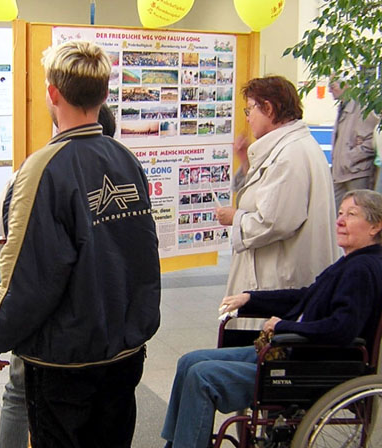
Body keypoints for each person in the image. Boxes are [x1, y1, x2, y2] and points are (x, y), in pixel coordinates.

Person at [0, 40, 161, 447]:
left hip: (65, 361)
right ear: (104, 94)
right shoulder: (126, 160)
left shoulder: (42, 168)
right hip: (124, 351)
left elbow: (29, 275)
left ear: (52, 93)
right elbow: (144, 256)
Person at [162, 189, 382, 448]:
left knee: (201, 376)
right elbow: (304, 297)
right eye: (341, 213)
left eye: (351, 215)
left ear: (375, 226)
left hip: (305, 364)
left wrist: (283, 326)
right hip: (291, 351)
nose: (340, 221)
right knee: (189, 361)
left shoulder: (362, 269)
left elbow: (342, 329)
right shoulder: (350, 263)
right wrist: (250, 298)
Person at [0, 102, 117, 448]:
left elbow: (24, 272)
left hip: (53, 333)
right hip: (111, 334)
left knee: (20, 393)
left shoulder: (40, 169)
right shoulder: (123, 167)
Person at [215, 76, 337, 299]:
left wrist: (235, 218)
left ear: (269, 109)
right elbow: (267, 193)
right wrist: (245, 162)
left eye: (250, 109)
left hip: (280, 279)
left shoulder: (289, 155)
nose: (248, 118)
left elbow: (273, 222)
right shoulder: (290, 147)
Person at [329, 76, 380, 210]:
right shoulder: (343, 106)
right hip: (340, 172)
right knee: (337, 212)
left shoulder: (362, 106)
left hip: (357, 172)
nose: (329, 90)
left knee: (360, 211)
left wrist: (350, 157)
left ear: (346, 85)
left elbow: (374, 138)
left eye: (332, 86)